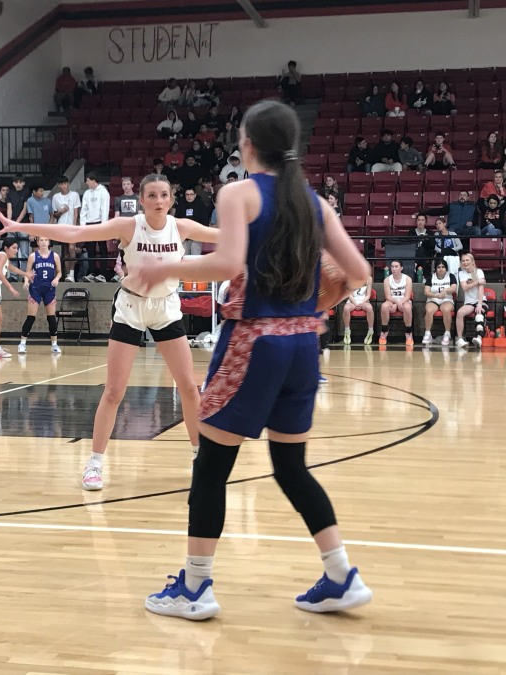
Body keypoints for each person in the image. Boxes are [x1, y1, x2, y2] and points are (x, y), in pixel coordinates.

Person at [130, 100, 372, 620]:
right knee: (290, 466)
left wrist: (164, 267)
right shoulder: (312, 201)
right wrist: (314, 303)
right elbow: (359, 273)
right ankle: (340, 574)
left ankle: (195, 588)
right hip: (303, 344)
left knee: (211, 467)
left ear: (247, 144)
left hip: (253, 343)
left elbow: (226, 262)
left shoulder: (238, 192)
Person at [0, 173, 219, 492]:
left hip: (166, 307)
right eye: (151, 195)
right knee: (114, 390)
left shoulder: (180, 227)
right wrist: (20, 227)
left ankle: (200, 458)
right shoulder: (128, 226)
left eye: (163, 195)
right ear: (140, 200)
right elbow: (73, 231)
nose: (157, 201)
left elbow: (226, 236)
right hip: (131, 307)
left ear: (171, 200)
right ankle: (95, 463)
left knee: (189, 388)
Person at [18, 236, 62, 355]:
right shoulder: (33, 256)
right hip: (36, 288)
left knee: (51, 317)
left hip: (49, 288)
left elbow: (60, 272)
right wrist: (26, 282)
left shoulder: (55, 256)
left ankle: (54, 344)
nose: (43, 242)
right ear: (37, 242)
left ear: (49, 242)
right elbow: (27, 273)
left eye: (46, 240)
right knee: (31, 317)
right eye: (41, 240)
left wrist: (57, 279)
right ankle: (22, 343)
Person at [80, 173, 111, 282]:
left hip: (99, 223)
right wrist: (82, 226)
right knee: (90, 249)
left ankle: (102, 273)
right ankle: (92, 272)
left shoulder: (103, 192)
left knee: (102, 248)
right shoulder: (87, 193)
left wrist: (104, 226)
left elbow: (105, 210)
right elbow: (83, 210)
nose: (87, 183)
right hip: (89, 224)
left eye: (88, 180)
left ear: (93, 180)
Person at [50, 175, 81, 282]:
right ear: (59, 185)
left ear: (68, 183)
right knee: (65, 251)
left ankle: (72, 274)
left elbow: (76, 213)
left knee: (72, 248)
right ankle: (68, 275)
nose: (63, 186)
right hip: (61, 227)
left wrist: (74, 226)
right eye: (61, 184)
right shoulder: (55, 197)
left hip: (71, 227)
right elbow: (55, 215)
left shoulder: (75, 195)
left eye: (65, 183)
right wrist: (62, 211)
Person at [454, 252, 487, 349]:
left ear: (472, 261)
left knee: (479, 314)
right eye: (463, 261)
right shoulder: (461, 273)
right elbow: (465, 288)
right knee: (459, 313)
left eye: (467, 260)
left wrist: (479, 304)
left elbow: (481, 289)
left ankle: (479, 338)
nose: (465, 262)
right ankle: (460, 339)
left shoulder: (479, 271)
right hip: (469, 302)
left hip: (481, 300)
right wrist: (477, 282)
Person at [422, 258, 457, 346]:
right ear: (436, 269)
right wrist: (436, 296)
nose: (441, 269)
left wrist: (445, 291)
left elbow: (454, 288)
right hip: (433, 299)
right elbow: (426, 292)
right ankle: (427, 333)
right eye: (439, 267)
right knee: (429, 310)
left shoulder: (451, 276)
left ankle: (447, 333)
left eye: (443, 267)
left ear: (446, 268)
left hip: (447, 299)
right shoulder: (431, 277)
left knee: (446, 310)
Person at [379, 260, 413, 346]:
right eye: (392, 266)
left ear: (401, 268)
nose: (394, 269)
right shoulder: (387, 280)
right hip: (391, 301)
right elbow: (388, 296)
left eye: (396, 266)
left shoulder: (407, 279)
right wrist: (395, 303)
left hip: (404, 301)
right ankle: (384, 331)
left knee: (408, 308)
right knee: (384, 306)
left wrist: (398, 303)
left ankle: (408, 332)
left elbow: (407, 296)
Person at [7, 175, 31, 275]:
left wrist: (16, 223)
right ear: (13, 183)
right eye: (16, 182)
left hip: (23, 225)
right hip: (12, 225)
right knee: (12, 253)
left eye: (20, 182)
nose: (18, 184)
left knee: (24, 253)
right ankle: (13, 275)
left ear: (23, 183)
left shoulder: (27, 192)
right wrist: (9, 223)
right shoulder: (10, 193)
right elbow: (9, 208)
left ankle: (25, 275)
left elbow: (25, 209)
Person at [342, 277, 374, 345]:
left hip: (364, 301)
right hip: (352, 301)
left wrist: (361, 303)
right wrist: (355, 304)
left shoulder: (369, 278)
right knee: (346, 308)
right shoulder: (349, 277)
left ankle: (370, 331)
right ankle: (347, 331)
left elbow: (368, 295)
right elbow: (349, 294)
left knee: (369, 308)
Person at [179, 188, 211, 254]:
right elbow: (178, 218)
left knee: (195, 254)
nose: (189, 196)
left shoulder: (200, 204)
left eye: (191, 194)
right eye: (187, 194)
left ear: (195, 195)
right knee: (184, 255)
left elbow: (204, 219)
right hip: (184, 235)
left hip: (196, 234)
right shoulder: (181, 204)